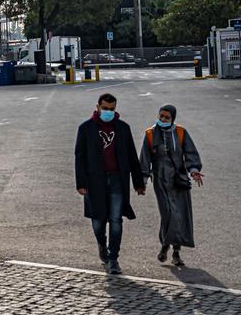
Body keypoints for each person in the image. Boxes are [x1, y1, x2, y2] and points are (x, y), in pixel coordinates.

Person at [74, 92, 145, 274]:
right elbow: (79, 157)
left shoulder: (123, 128)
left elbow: (131, 156)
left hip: (117, 180)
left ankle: (114, 259)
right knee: (98, 222)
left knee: (115, 220)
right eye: (105, 108)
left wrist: (138, 182)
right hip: (94, 181)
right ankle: (101, 245)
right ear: (97, 107)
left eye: (111, 109)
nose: (108, 112)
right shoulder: (86, 128)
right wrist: (81, 183)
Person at [139, 104, 205, 267]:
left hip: (179, 180)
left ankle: (175, 252)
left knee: (180, 214)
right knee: (168, 213)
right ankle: (165, 245)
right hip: (161, 181)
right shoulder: (150, 134)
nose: (163, 119)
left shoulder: (181, 132)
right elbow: (145, 159)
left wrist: (194, 170)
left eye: (167, 117)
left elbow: (190, 153)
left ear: (173, 118)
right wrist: (143, 181)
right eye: (161, 116)